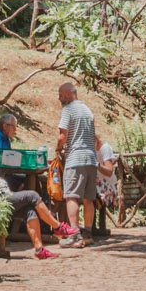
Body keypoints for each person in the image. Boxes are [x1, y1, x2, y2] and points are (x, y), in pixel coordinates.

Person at [54, 80, 99, 244]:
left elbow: (62, 136)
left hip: (75, 158)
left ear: (67, 94)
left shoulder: (68, 110)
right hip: (91, 159)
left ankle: (74, 235)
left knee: (71, 196)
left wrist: (58, 148)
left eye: (60, 95)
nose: (59, 99)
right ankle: (87, 233)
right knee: (88, 198)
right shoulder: (87, 110)